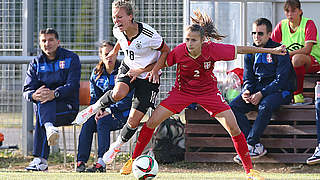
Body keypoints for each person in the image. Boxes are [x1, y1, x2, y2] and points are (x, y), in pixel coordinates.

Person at [120, 10, 287, 180]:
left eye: (193, 40)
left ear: (202, 40)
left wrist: (272, 51)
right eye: (187, 39)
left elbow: (242, 49)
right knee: (152, 121)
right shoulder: (179, 51)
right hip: (182, 92)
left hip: (208, 93)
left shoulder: (213, 49)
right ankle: (133, 160)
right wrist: (140, 70)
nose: (189, 43)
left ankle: (250, 171)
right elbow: (160, 63)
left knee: (233, 127)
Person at [72, 0, 170, 174]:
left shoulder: (148, 34)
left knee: (133, 121)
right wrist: (115, 51)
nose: (116, 21)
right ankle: (92, 109)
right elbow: (120, 40)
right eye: (113, 17)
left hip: (147, 76)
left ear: (130, 17)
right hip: (129, 67)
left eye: (119, 17)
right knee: (118, 93)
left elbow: (165, 52)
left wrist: (153, 69)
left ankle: (116, 146)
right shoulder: (117, 30)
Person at [229, 18, 296, 164]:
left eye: (260, 33)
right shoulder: (250, 53)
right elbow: (248, 78)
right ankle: (255, 145)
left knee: (264, 105)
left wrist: (261, 94)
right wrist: (246, 90)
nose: (256, 37)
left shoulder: (280, 50)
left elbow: (281, 81)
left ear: (269, 34)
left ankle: (250, 144)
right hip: (258, 92)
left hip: (281, 91)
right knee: (233, 107)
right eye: (254, 33)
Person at [23, 28, 81, 171]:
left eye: (50, 40)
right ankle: (49, 128)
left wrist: (54, 93)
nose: (47, 43)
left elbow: (73, 85)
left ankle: (40, 160)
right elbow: (27, 90)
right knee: (42, 101)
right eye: (43, 41)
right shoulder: (36, 63)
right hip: (46, 110)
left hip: (67, 109)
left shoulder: (71, 58)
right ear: (40, 43)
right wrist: (33, 95)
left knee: (43, 110)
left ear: (58, 42)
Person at [76, 41, 133, 173]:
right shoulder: (96, 73)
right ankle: (81, 162)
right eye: (106, 54)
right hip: (102, 113)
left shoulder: (124, 71)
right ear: (100, 55)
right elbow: (94, 98)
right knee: (88, 123)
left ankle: (101, 162)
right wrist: (98, 110)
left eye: (112, 54)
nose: (109, 57)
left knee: (102, 121)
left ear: (117, 54)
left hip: (123, 115)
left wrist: (109, 110)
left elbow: (128, 100)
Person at [271, 0, 320, 104]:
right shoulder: (282, 25)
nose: (290, 14)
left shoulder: (308, 24)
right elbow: (270, 46)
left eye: (293, 11)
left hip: (313, 61)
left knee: (297, 59)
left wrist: (286, 54)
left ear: (300, 11)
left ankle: (298, 94)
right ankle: (278, 94)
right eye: (287, 11)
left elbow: (307, 50)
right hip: (292, 63)